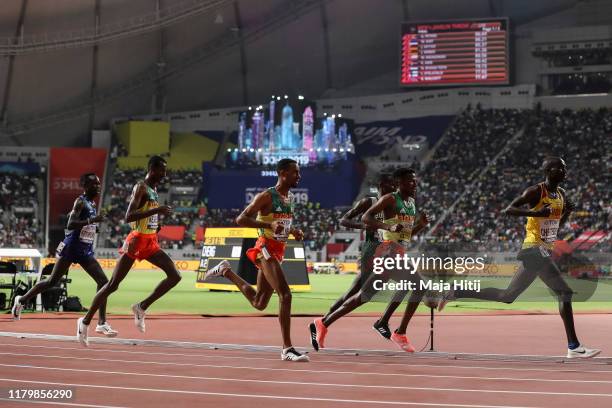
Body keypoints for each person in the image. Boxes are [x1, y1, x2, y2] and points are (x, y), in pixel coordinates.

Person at [438, 157, 600, 359]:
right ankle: (573, 346)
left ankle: (455, 292)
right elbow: (509, 210)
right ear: (548, 171)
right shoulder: (535, 191)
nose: (564, 171)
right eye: (560, 168)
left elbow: (557, 224)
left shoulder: (561, 194)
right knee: (564, 293)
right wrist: (537, 212)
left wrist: (566, 212)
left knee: (507, 296)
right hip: (533, 249)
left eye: (565, 167)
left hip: (544, 249)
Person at [310, 168, 429, 352]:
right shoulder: (390, 199)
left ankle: (324, 322)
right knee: (414, 286)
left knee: (364, 297)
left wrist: (420, 226)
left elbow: (405, 235)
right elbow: (366, 217)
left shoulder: (411, 203)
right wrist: (386, 225)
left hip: (398, 252)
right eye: (410, 181)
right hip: (385, 253)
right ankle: (397, 331)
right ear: (399, 183)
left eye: (415, 181)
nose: (414, 184)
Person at [206, 158, 309, 362]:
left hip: (278, 251)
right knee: (285, 295)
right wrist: (268, 227)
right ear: (283, 173)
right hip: (265, 249)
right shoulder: (266, 196)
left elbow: (279, 227)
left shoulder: (288, 199)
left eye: (299, 172)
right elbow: (241, 219)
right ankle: (287, 348)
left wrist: (293, 232)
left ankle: (226, 271)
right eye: (295, 172)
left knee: (259, 302)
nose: (299, 176)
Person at [77, 156, 181, 346]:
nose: (165, 174)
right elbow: (129, 216)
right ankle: (84, 322)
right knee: (112, 285)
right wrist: (155, 212)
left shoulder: (154, 190)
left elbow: (144, 216)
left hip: (150, 240)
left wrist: (156, 224)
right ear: (152, 168)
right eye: (162, 170)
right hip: (136, 241)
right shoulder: (141, 187)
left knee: (175, 276)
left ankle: (141, 307)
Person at [12, 173, 118, 337]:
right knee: (52, 281)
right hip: (71, 248)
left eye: (99, 183)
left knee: (104, 282)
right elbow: (70, 224)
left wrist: (92, 227)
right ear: (85, 186)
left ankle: (102, 323)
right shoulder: (81, 201)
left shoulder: (92, 203)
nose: (98, 186)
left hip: (84, 250)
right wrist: (91, 221)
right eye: (94, 184)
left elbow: (82, 223)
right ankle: (22, 300)